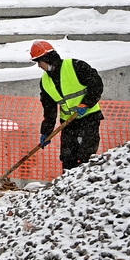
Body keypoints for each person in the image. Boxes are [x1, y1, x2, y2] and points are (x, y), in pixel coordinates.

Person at [30, 40, 103, 172]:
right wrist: (46, 132)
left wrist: (86, 103)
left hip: (89, 117)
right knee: (67, 157)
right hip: (69, 123)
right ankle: (68, 186)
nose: (39, 66)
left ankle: (87, 183)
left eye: (39, 62)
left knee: (86, 155)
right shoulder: (45, 82)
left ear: (47, 59)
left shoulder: (75, 66)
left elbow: (96, 84)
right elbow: (49, 110)